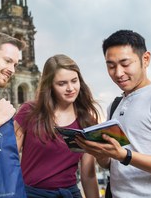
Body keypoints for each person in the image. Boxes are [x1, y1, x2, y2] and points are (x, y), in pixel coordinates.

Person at [76, 29, 151, 197]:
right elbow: (115, 164)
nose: (118, 73)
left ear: (145, 59)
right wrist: (102, 155)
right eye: (111, 66)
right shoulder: (115, 105)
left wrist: (125, 155)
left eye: (125, 64)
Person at [14, 54, 101, 198]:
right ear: (50, 86)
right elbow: (10, 156)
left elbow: (88, 175)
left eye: (74, 81)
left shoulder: (87, 121)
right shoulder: (29, 111)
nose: (70, 88)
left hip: (70, 194)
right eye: (62, 83)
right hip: (31, 194)